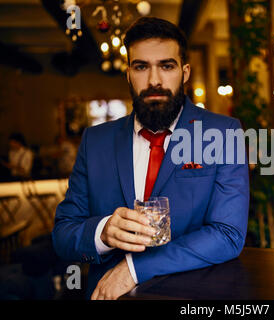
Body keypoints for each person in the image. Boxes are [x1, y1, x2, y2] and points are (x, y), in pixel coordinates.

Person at [52, 17, 249, 300]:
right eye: (141, 67)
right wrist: (103, 233)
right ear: (128, 74)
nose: (154, 80)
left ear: (185, 72)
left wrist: (133, 269)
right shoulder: (95, 142)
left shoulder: (223, 132)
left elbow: (228, 234)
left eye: (166, 66)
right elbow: (63, 235)